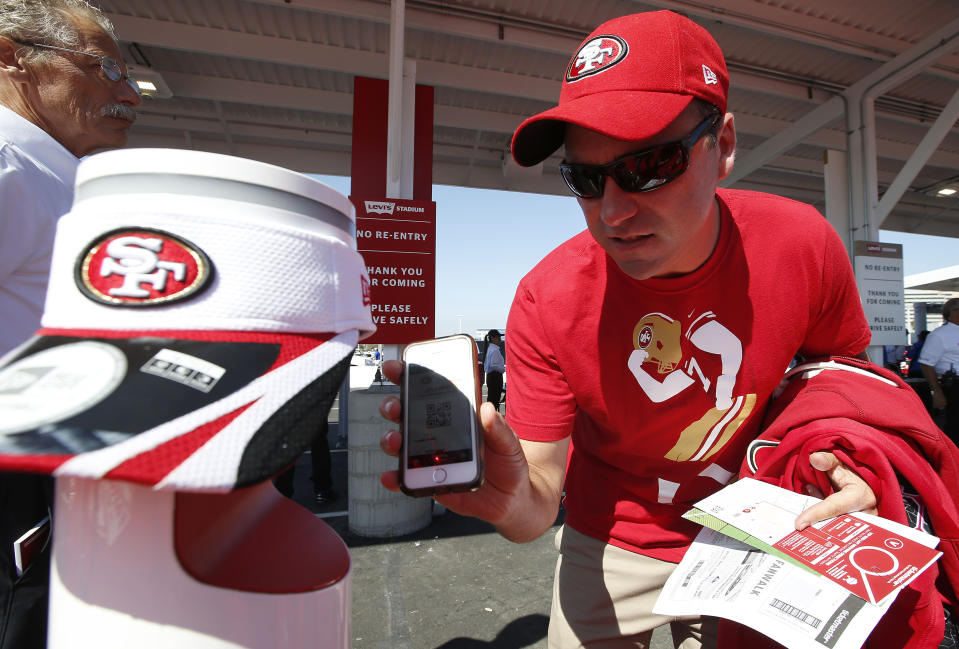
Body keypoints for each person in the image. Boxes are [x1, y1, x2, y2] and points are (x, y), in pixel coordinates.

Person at [378, 10, 885, 649]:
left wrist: (860, 462)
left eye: (650, 165)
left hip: (763, 523)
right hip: (613, 536)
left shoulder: (801, 244)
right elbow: (537, 496)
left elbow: (847, 386)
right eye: (587, 179)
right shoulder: (548, 298)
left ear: (723, 145)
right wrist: (511, 504)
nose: (614, 211)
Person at [0, 2, 140, 646]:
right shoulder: (9, 165)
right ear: (11, 57)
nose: (129, 90)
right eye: (104, 67)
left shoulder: (57, 180)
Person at [920, 298, 959, 445]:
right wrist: (937, 391)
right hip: (954, 386)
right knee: (955, 427)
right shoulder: (939, 335)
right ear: (952, 313)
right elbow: (926, 364)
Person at [483, 329, 505, 410]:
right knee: (494, 401)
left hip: (491, 377)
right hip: (495, 377)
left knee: (491, 400)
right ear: (492, 338)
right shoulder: (495, 350)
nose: (500, 339)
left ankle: (490, 418)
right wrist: (502, 370)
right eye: (498, 337)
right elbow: (494, 365)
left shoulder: (490, 349)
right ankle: (493, 419)